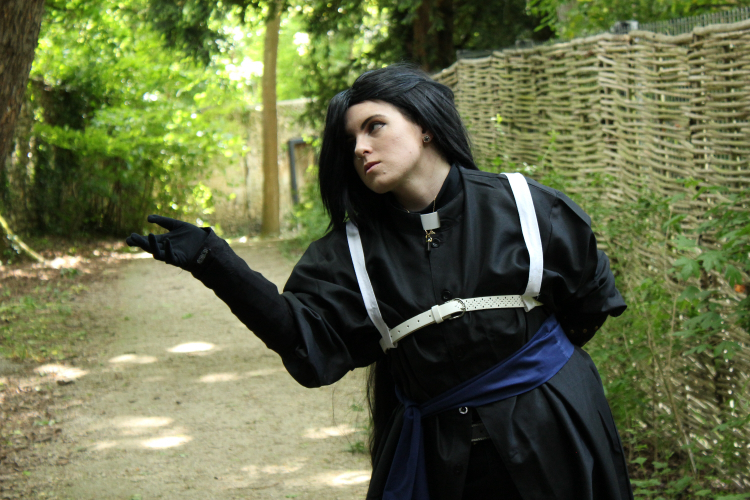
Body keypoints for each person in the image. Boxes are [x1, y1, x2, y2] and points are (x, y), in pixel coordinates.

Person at [126, 64, 633, 500]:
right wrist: (215, 262)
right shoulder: (350, 253)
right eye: (350, 141)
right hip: (443, 462)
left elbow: (588, 306)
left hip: (558, 442)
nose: (361, 148)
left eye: (374, 127)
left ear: (425, 125)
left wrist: (532, 383)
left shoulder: (524, 208)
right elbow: (308, 342)